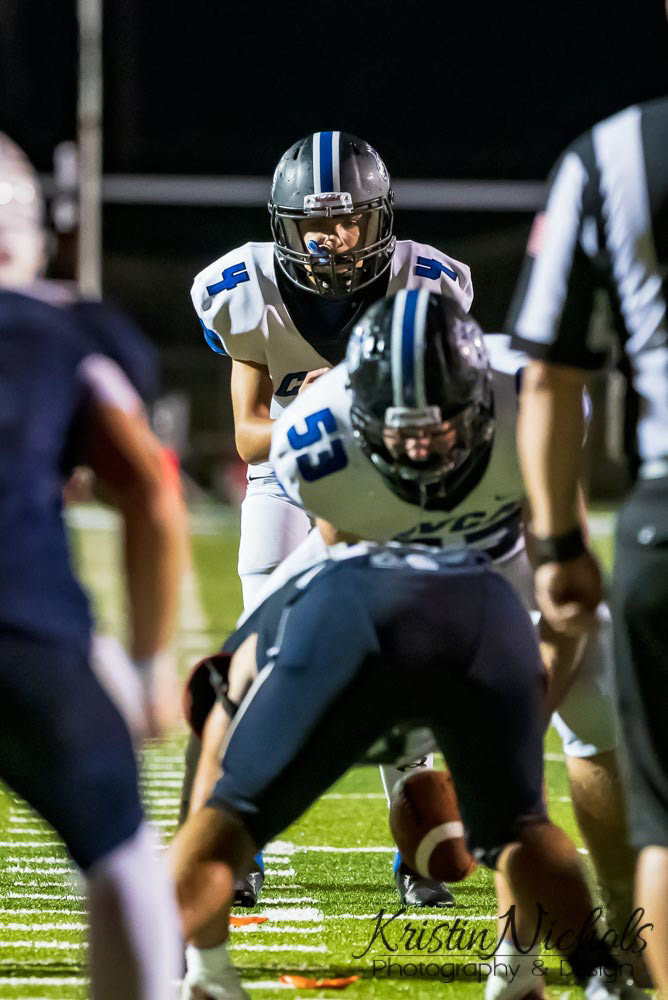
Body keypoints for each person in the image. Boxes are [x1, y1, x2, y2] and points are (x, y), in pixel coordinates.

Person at [265, 289, 638, 944]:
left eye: (438, 429)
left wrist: (515, 727)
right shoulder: (319, 440)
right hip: (392, 567)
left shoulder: (530, 398)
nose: (420, 452)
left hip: (508, 560)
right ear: (360, 416)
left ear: (481, 404)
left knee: (597, 698)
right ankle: (206, 939)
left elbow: (565, 592)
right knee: (240, 685)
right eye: (401, 432)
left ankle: (622, 906)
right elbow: (348, 575)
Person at [189, 130, 472, 906]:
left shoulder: (426, 283)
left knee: (401, 651)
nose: (333, 236)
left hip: (385, 482)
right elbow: (249, 436)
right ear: (285, 224)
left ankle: (416, 848)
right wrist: (316, 418)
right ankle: (240, 845)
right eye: (315, 221)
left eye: (348, 219)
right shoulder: (246, 288)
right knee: (263, 660)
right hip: (286, 478)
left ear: (378, 218)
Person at [170, 540, 637, 1000]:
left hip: (406, 613)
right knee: (522, 826)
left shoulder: (311, 598)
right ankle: (592, 975)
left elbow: (216, 764)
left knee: (231, 814)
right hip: (426, 612)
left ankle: (202, 970)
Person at [0, 133, 187, 998]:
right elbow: (148, 489)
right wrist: (149, 669)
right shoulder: (60, 328)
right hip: (21, 628)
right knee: (124, 857)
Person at [506, 95, 668, 995]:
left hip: (664, 514)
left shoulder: (613, 154)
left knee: (665, 824)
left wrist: (560, 544)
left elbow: (551, 375)